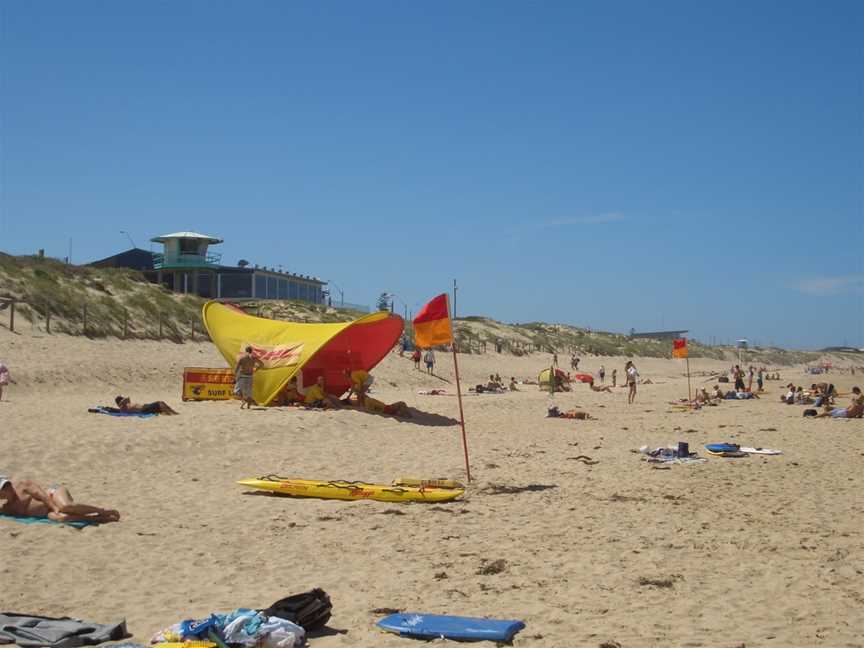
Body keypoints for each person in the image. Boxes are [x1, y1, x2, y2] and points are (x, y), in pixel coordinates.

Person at [0, 475, 119, 524]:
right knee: (61, 518)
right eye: (4, 488)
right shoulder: (7, 508)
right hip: (47, 513)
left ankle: (103, 511)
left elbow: (41, 494)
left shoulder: (22, 485)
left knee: (65, 507)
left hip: (52, 495)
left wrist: (54, 507)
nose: (8, 487)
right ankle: (97, 518)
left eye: (7, 484)